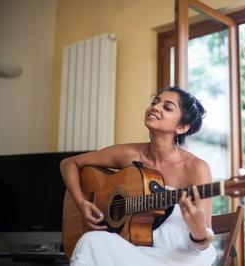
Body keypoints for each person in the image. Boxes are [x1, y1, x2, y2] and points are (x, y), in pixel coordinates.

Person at [60, 86, 217, 266]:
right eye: (155, 102)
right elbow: (68, 164)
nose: (155, 107)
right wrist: (81, 203)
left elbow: (204, 243)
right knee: (90, 241)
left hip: (179, 256)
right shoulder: (129, 154)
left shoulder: (196, 168)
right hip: (134, 250)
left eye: (167, 107)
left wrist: (198, 230)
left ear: (181, 127)